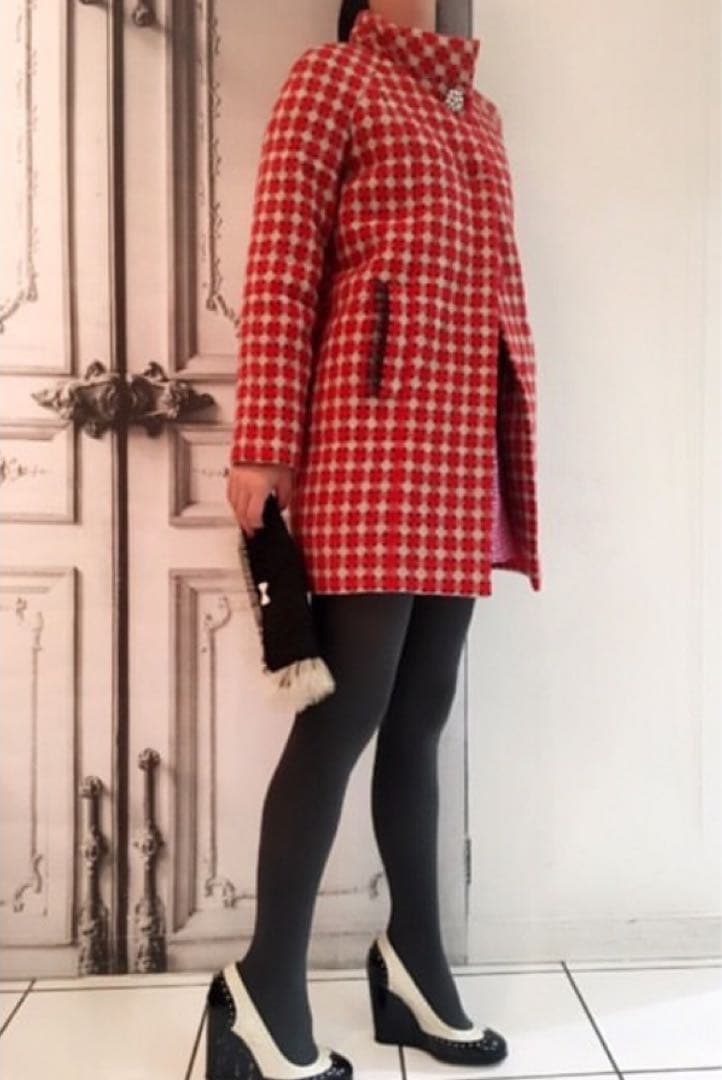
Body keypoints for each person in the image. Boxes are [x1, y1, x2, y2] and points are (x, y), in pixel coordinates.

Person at [210, 1, 541, 1077]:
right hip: (367, 444)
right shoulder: (333, 79)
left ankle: (412, 964)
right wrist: (263, 445)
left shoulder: (477, 114)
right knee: (341, 714)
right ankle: (263, 990)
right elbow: (282, 266)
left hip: (458, 451)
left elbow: (493, 288)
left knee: (421, 715)